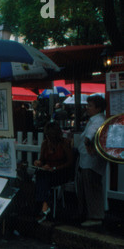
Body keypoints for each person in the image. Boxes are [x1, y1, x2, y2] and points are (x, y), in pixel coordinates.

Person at [77, 95, 107, 227]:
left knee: (92, 188)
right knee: (89, 188)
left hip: (91, 161)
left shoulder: (98, 120)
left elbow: (90, 135)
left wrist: (88, 144)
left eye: (90, 106)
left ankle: (95, 217)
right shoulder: (94, 119)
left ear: (98, 108)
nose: (87, 108)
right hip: (87, 160)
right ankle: (90, 214)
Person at [34, 122, 73, 223]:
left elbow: (70, 162)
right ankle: (45, 205)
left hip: (61, 172)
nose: (48, 138)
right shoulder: (45, 144)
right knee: (41, 174)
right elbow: (42, 159)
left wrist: (55, 168)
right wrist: (39, 163)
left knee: (42, 177)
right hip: (48, 172)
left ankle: (44, 205)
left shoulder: (64, 144)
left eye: (50, 136)